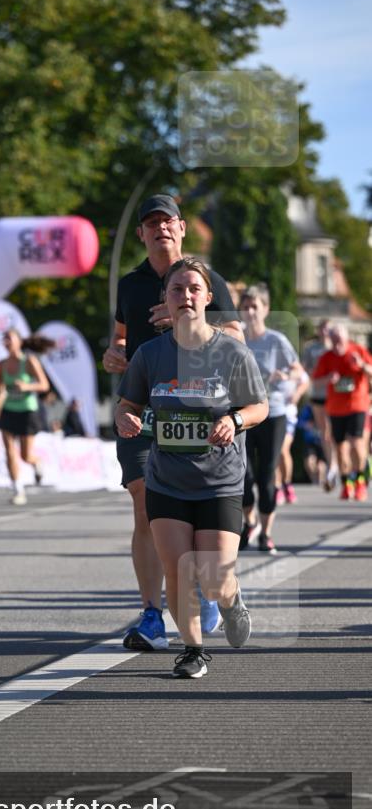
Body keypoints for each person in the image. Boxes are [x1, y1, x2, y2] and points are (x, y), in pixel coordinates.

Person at [115, 257, 268, 678]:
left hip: (219, 481)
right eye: (176, 289)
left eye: (193, 289)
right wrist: (125, 419)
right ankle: (193, 649)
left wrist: (234, 420)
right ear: (165, 298)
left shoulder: (231, 352)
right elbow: (128, 405)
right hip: (168, 481)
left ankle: (231, 600)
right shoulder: (150, 354)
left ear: (207, 297)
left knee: (215, 578)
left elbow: (259, 406)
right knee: (178, 569)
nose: (185, 296)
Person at [102, 194, 243, 648]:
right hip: (145, 411)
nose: (160, 228)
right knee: (143, 504)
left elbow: (238, 338)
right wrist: (113, 354)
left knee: (196, 522)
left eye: (168, 221)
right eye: (151, 222)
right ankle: (150, 614)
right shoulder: (130, 284)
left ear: (182, 228)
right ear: (141, 233)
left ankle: (203, 592)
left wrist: (189, 321)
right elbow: (120, 337)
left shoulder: (204, 278)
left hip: (199, 413)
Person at [238, 284, 303, 554]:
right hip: (243, 413)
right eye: (246, 307)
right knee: (243, 476)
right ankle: (249, 522)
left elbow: (298, 370)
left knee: (266, 476)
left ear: (265, 309)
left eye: (256, 307)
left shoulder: (276, 341)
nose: (251, 312)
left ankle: (266, 532)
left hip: (273, 412)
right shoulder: (235, 337)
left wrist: (286, 376)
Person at [312, 323, 372, 502]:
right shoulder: (326, 358)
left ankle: (360, 482)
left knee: (356, 444)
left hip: (357, 405)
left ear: (346, 337)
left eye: (340, 336)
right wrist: (329, 379)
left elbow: (371, 371)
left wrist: (361, 365)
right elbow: (315, 382)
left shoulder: (358, 350)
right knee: (340, 449)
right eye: (334, 337)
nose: (337, 340)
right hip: (336, 409)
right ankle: (347, 484)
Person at [0, 329, 52, 505]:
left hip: (27, 411)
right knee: (9, 451)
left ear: (19, 341)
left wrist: (26, 386)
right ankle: (18, 489)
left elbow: (44, 385)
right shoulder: (1, 364)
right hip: (8, 410)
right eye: (4, 339)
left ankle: (36, 463)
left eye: (9, 338)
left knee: (25, 455)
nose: (6, 342)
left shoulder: (29, 361)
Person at [301, 319, 338, 491]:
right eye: (322, 328)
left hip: (336, 395)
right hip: (317, 394)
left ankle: (336, 464)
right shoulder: (312, 349)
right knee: (325, 432)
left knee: (334, 432)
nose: (325, 332)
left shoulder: (336, 348)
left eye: (328, 329)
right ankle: (332, 465)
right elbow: (304, 369)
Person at [275, 367, 310, 505]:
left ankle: (287, 484)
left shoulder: (291, 363)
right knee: (274, 452)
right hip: (271, 414)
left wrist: (297, 394)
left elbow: (305, 380)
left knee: (283, 449)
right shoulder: (263, 358)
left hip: (288, 414)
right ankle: (277, 487)